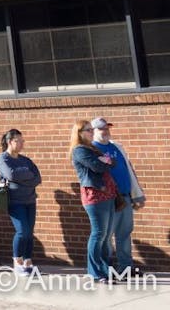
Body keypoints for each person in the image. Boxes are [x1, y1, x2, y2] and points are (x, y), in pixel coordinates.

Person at [90, 117, 146, 277]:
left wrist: (137, 194)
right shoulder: (92, 149)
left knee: (124, 233)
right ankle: (106, 269)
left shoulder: (117, 147)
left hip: (125, 197)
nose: (106, 131)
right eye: (102, 129)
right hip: (108, 199)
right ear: (93, 131)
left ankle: (125, 268)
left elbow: (129, 170)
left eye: (107, 128)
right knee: (106, 236)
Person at [71, 119, 116, 283]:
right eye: (88, 130)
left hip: (108, 194)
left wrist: (105, 161)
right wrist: (105, 161)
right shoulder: (79, 150)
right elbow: (98, 166)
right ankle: (95, 272)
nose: (92, 132)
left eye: (91, 130)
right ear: (80, 133)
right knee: (98, 234)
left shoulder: (93, 148)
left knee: (106, 235)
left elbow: (112, 161)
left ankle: (105, 270)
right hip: (95, 196)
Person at [0, 128, 41, 277]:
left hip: (30, 200)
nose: (22, 143)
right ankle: (17, 262)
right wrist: (27, 177)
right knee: (22, 231)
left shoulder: (26, 160)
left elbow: (37, 178)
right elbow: (10, 174)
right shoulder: (3, 158)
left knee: (29, 232)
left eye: (23, 141)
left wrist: (22, 179)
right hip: (15, 201)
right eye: (18, 141)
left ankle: (28, 261)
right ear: (10, 142)